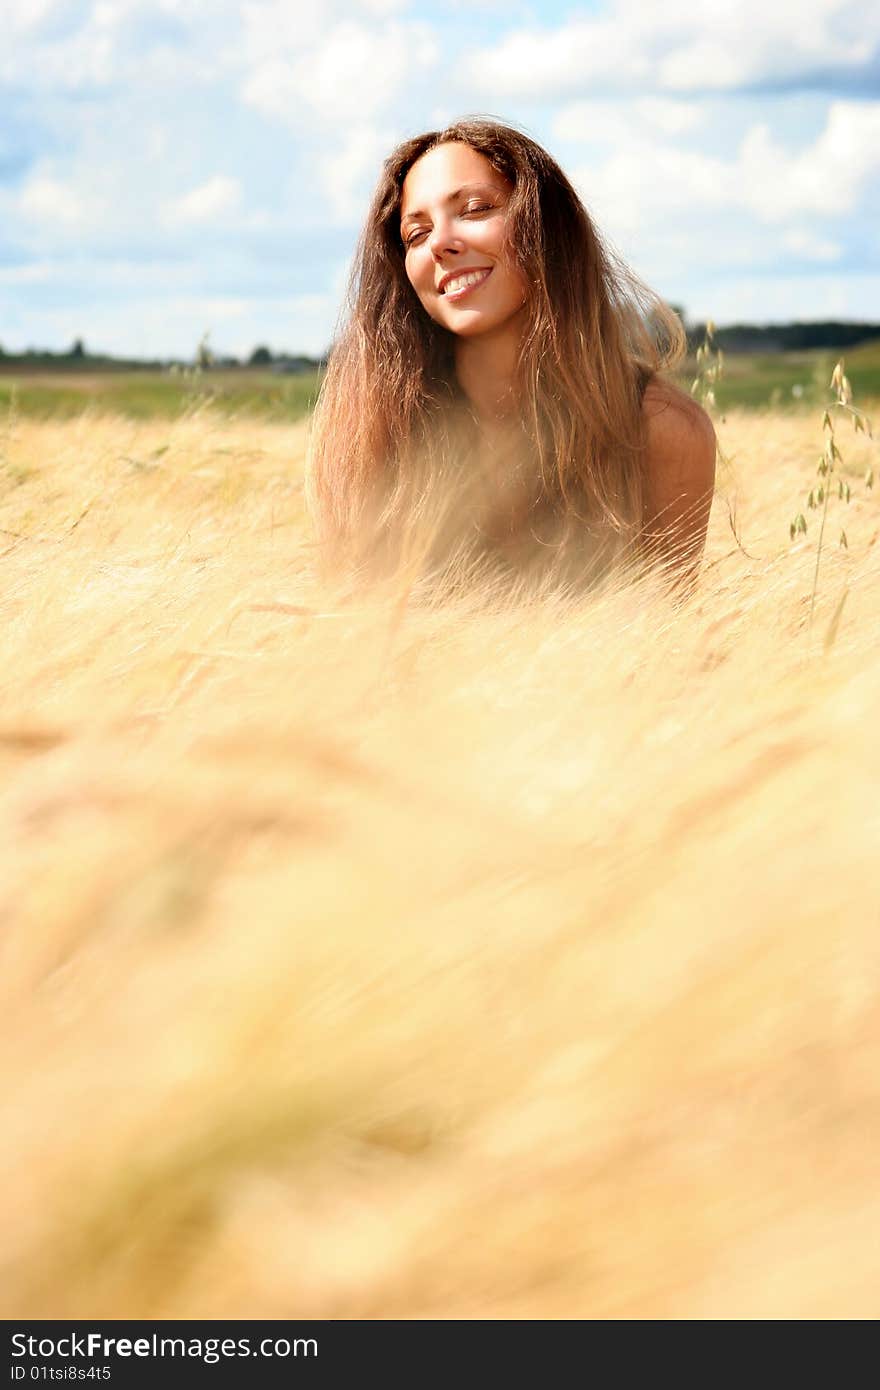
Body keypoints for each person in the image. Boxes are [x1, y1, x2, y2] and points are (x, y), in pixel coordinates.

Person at [306, 118, 716, 593]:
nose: (440, 242)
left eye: (475, 208)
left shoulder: (661, 429)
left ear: (547, 227)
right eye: (415, 234)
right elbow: (345, 643)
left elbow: (669, 646)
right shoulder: (370, 431)